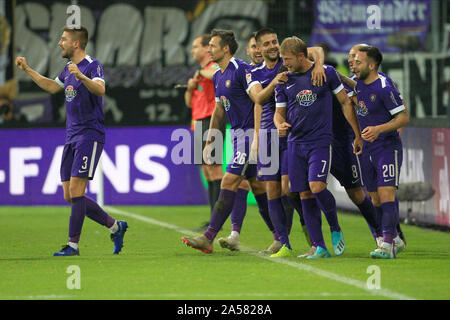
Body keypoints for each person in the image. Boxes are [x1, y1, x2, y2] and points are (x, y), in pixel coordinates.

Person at [15, 26, 128, 256]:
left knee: (77, 191)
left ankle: (73, 245)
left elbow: (100, 90)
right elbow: (51, 86)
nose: (59, 43)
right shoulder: (68, 68)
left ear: (76, 44)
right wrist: (27, 69)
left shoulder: (92, 65)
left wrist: (82, 76)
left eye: (64, 39)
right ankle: (116, 226)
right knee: (69, 195)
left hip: (90, 134)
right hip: (71, 136)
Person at [181, 29, 277, 254]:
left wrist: (256, 137)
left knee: (228, 181)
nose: (208, 49)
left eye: (212, 45)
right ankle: (280, 237)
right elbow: (219, 109)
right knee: (257, 187)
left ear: (225, 49)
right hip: (236, 136)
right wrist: (210, 141)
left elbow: (258, 99)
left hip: (249, 136)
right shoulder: (218, 75)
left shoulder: (241, 70)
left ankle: (208, 237)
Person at [274, 36, 363, 259]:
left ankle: (334, 227)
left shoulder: (325, 74)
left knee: (316, 186)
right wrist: (279, 124)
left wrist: (357, 134)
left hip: (320, 142)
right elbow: (278, 112)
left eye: (288, 59)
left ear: (301, 56)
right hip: (295, 143)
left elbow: (344, 102)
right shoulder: (284, 81)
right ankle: (319, 246)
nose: (285, 63)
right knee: (303, 192)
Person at [343, 44, 407, 250]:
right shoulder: (356, 84)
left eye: (358, 61)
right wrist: (358, 137)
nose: (353, 64)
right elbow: (351, 102)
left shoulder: (384, 87)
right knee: (375, 197)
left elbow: (404, 116)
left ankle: (387, 245)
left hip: (387, 147)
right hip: (367, 148)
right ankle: (395, 237)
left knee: (386, 191)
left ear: (371, 65)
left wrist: (379, 129)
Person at [184, 34, 226, 231]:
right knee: (207, 170)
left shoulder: (213, 68)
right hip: (197, 121)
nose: (193, 50)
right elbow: (188, 103)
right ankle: (212, 218)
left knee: (215, 168)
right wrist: (190, 88)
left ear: (205, 50)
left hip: (212, 120)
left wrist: (200, 74)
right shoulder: (199, 72)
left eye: (195, 47)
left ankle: (218, 220)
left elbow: (214, 75)